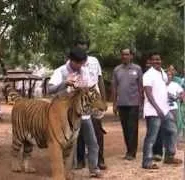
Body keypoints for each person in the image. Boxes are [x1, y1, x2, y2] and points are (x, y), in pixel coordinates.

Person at [48, 47, 102, 178]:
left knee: (93, 142)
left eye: (82, 63)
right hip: (65, 116)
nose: (80, 66)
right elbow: (50, 89)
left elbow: (91, 88)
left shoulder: (84, 71)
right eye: (78, 63)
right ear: (71, 60)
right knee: (68, 145)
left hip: (83, 114)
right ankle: (67, 171)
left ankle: (94, 168)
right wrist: (64, 83)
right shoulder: (60, 71)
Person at [142, 52, 182, 169]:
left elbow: (162, 89)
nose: (157, 62)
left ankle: (169, 156)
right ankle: (147, 161)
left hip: (165, 109)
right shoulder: (148, 75)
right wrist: (157, 108)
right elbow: (148, 94)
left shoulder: (163, 73)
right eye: (154, 60)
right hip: (153, 111)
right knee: (151, 137)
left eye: (158, 59)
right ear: (150, 61)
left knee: (172, 130)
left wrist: (172, 96)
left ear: (161, 60)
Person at [74, 39, 108, 170]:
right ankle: (80, 160)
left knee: (97, 130)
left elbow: (100, 80)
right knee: (79, 131)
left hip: (94, 101)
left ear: (88, 48)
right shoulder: (72, 63)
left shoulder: (94, 61)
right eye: (79, 48)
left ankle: (100, 160)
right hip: (79, 103)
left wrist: (103, 100)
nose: (82, 50)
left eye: (84, 48)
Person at [112, 48, 143, 160]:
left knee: (133, 128)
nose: (125, 56)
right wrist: (114, 104)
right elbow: (114, 88)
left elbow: (140, 87)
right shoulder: (117, 70)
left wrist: (141, 103)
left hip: (134, 103)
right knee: (125, 128)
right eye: (123, 54)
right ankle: (128, 150)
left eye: (127, 54)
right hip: (122, 104)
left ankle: (132, 152)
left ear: (131, 56)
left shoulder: (137, 69)